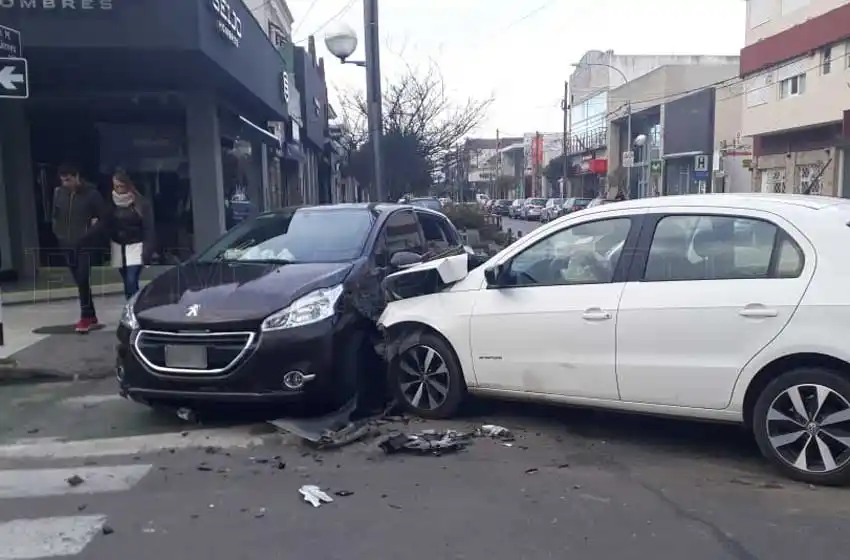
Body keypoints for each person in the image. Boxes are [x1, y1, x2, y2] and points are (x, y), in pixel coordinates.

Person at [52, 163, 107, 333]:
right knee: (79, 281)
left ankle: (85, 317)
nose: (65, 184)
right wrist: (59, 234)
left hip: (85, 244)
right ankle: (90, 315)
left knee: (83, 278)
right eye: (63, 180)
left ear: (76, 177)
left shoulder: (92, 195)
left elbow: (104, 218)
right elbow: (56, 216)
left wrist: (88, 234)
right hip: (66, 243)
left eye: (68, 180)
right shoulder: (59, 193)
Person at [107, 169, 155, 299]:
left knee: (131, 280)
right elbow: (107, 224)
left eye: (121, 186)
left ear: (128, 185)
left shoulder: (141, 203)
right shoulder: (111, 203)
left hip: (136, 245)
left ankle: (134, 306)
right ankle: (131, 306)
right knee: (126, 281)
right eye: (116, 186)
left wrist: (147, 251)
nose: (119, 189)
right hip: (118, 246)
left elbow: (148, 228)